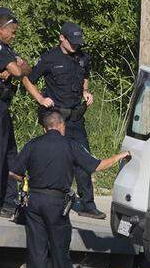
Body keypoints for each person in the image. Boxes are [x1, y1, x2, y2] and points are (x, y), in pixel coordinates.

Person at [9, 108, 130, 268]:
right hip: (57, 204)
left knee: (37, 251)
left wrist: (26, 180)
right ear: (61, 125)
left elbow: (13, 172)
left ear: (45, 128)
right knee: (60, 252)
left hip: (34, 202)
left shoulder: (33, 144)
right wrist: (120, 156)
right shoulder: (70, 145)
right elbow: (97, 166)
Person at [0, 7, 48, 219]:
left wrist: (17, 67)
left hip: (1, 105)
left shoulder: (4, 48)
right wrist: (15, 68)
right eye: (12, 32)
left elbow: (26, 69)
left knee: (10, 153)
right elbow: (17, 70)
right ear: (2, 28)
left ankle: (7, 201)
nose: (14, 36)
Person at [24, 22, 103, 218]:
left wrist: (85, 92)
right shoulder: (49, 58)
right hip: (56, 119)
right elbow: (28, 79)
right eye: (72, 42)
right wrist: (40, 99)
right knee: (54, 159)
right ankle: (49, 198)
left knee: (83, 159)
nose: (75, 45)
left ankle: (87, 204)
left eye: (78, 42)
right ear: (61, 38)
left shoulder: (83, 57)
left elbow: (85, 77)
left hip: (76, 118)